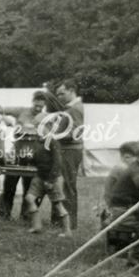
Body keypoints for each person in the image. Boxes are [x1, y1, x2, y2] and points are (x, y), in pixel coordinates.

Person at [25, 93, 72, 237]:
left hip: (53, 178)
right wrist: (29, 158)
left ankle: (67, 231)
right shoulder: (38, 141)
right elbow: (37, 158)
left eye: (39, 126)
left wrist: (51, 181)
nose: (37, 129)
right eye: (36, 126)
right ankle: (36, 225)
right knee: (29, 198)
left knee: (58, 204)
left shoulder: (53, 141)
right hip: (40, 176)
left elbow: (58, 163)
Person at [0, 91, 48, 221]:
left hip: (34, 154)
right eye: (37, 101)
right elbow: (0, 109)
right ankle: (4, 214)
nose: (39, 105)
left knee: (29, 186)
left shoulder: (45, 116)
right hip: (17, 151)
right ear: (33, 101)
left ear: (44, 104)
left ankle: (26, 215)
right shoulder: (21, 110)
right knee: (9, 184)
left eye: (42, 103)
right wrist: (6, 119)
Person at [54, 79, 84, 229]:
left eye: (62, 93)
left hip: (70, 151)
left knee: (67, 186)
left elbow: (76, 133)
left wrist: (53, 136)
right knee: (63, 184)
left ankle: (70, 223)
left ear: (72, 90)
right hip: (67, 150)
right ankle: (63, 220)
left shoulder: (75, 109)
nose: (59, 97)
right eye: (57, 95)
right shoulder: (70, 109)